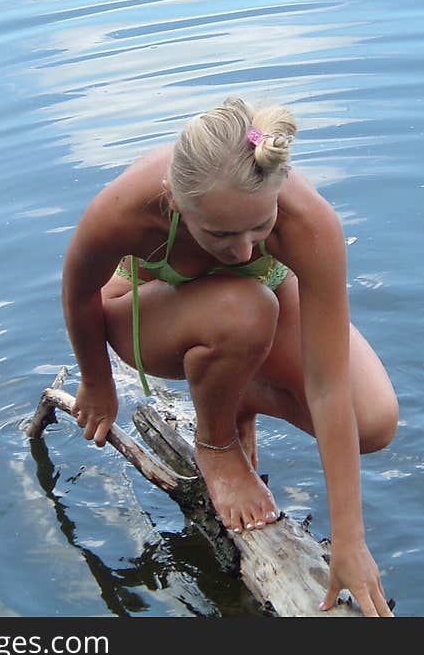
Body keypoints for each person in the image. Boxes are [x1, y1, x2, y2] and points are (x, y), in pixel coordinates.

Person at [62, 97, 399, 616]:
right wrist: (97, 381)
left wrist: (350, 541)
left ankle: (236, 392)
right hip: (144, 310)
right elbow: (77, 289)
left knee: (372, 424)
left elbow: (328, 384)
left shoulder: (311, 224)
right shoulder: (128, 207)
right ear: (174, 201)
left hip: (263, 297)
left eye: (259, 228)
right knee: (243, 312)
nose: (242, 251)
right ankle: (216, 442)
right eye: (219, 233)